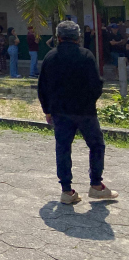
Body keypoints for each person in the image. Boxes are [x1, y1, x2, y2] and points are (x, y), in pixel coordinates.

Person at [38, 20, 118, 204]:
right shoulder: (86, 55)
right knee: (97, 146)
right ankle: (96, 185)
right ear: (78, 37)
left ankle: (67, 191)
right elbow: (96, 84)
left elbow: (42, 87)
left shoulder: (50, 57)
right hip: (85, 112)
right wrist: (89, 102)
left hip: (59, 111)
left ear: (58, 37)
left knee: (63, 148)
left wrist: (47, 110)